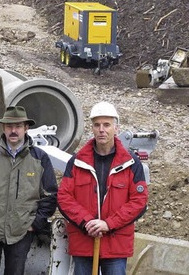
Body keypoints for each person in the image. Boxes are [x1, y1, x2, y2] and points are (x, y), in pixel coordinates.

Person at [57, 102, 148, 275]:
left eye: (106, 125)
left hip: (115, 245)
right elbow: (64, 197)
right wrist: (87, 222)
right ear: (92, 128)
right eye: (97, 125)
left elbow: (139, 201)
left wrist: (108, 224)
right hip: (84, 242)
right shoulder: (77, 162)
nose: (101, 129)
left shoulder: (131, 163)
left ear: (116, 128)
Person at [0, 106, 58, 275]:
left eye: (18, 126)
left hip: (21, 231)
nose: (13, 130)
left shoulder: (39, 158)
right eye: (9, 126)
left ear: (26, 128)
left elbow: (50, 195)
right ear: (3, 128)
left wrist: (34, 223)